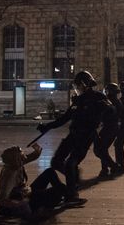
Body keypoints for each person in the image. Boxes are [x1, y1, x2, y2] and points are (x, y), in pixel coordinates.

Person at [37, 71, 112, 204]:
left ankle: (72, 196)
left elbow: (112, 110)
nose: (75, 89)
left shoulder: (98, 97)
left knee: (71, 163)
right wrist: (47, 126)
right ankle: (73, 179)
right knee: (56, 162)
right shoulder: (78, 100)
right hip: (73, 135)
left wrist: (103, 108)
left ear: (83, 85)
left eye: (77, 86)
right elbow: (65, 118)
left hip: (86, 136)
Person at [0, 143, 70, 219]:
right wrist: (21, 204)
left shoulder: (16, 164)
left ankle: (67, 194)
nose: (24, 158)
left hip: (26, 193)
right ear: (16, 159)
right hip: (23, 201)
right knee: (56, 191)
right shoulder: (10, 174)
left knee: (49, 172)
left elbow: (33, 156)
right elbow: (2, 199)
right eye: (21, 157)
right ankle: (63, 197)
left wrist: (36, 147)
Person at [94, 83, 122, 178]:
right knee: (103, 149)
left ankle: (112, 166)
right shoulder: (117, 102)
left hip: (108, 128)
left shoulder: (108, 102)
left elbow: (104, 115)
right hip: (112, 128)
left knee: (100, 150)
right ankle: (106, 168)